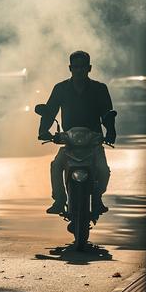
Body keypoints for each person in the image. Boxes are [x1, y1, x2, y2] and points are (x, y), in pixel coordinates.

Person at [38, 50, 117, 218]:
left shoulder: (100, 89)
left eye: (83, 67)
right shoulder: (60, 89)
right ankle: (59, 200)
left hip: (94, 142)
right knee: (56, 165)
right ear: (70, 68)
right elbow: (50, 111)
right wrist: (44, 131)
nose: (79, 70)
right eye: (76, 67)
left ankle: (97, 198)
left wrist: (110, 131)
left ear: (89, 68)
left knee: (103, 170)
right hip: (70, 142)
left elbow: (107, 113)